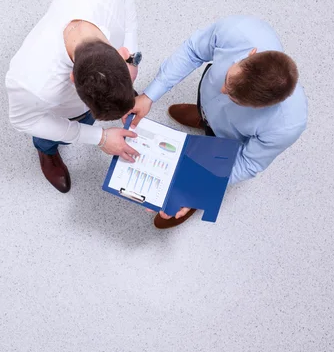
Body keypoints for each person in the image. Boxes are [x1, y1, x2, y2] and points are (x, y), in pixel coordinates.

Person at [127, 15, 308, 229]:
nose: (222, 91)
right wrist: (149, 95)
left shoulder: (287, 125)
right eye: (227, 80)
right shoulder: (241, 30)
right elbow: (193, 51)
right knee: (209, 107)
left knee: (198, 176)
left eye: (232, 98)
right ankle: (203, 117)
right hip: (207, 103)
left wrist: (194, 190)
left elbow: (248, 163)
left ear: (261, 107)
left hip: (228, 140)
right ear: (251, 54)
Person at [6, 0, 142, 193]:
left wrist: (133, 62)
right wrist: (100, 137)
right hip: (61, 112)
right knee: (54, 134)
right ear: (71, 79)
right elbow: (23, 120)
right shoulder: (31, 83)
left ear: (122, 54)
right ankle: (46, 151)